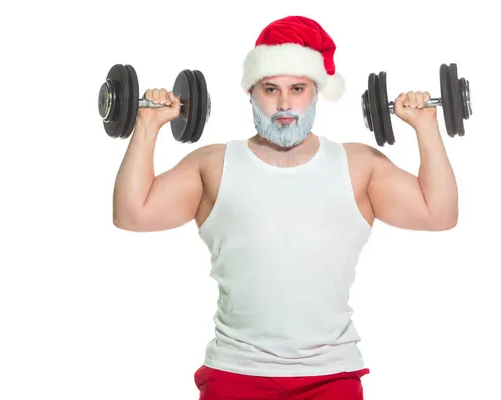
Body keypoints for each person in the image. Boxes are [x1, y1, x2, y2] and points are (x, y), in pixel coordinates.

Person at [112, 15, 458, 400]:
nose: (284, 104)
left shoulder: (358, 166)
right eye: (269, 89)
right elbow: (132, 214)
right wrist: (146, 124)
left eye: (297, 88)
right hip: (235, 372)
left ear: (316, 92)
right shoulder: (212, 164)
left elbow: (438, 214)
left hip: (331, 377)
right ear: (251, 93)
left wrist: (427, 126)